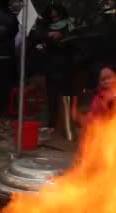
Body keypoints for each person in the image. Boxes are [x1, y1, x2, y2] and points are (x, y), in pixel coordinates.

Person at [31, 4, 76, 137]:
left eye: (55, 11)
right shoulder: (46, 26)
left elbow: (73, 42)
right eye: (51, 11)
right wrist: (47, 38)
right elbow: (38, 39)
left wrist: (61, 36)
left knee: (66, 97)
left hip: (65, 66)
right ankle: (51, 124)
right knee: (51, 97)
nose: (53, 14)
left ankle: (67, 125)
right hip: (51, 66)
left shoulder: (69, 25)